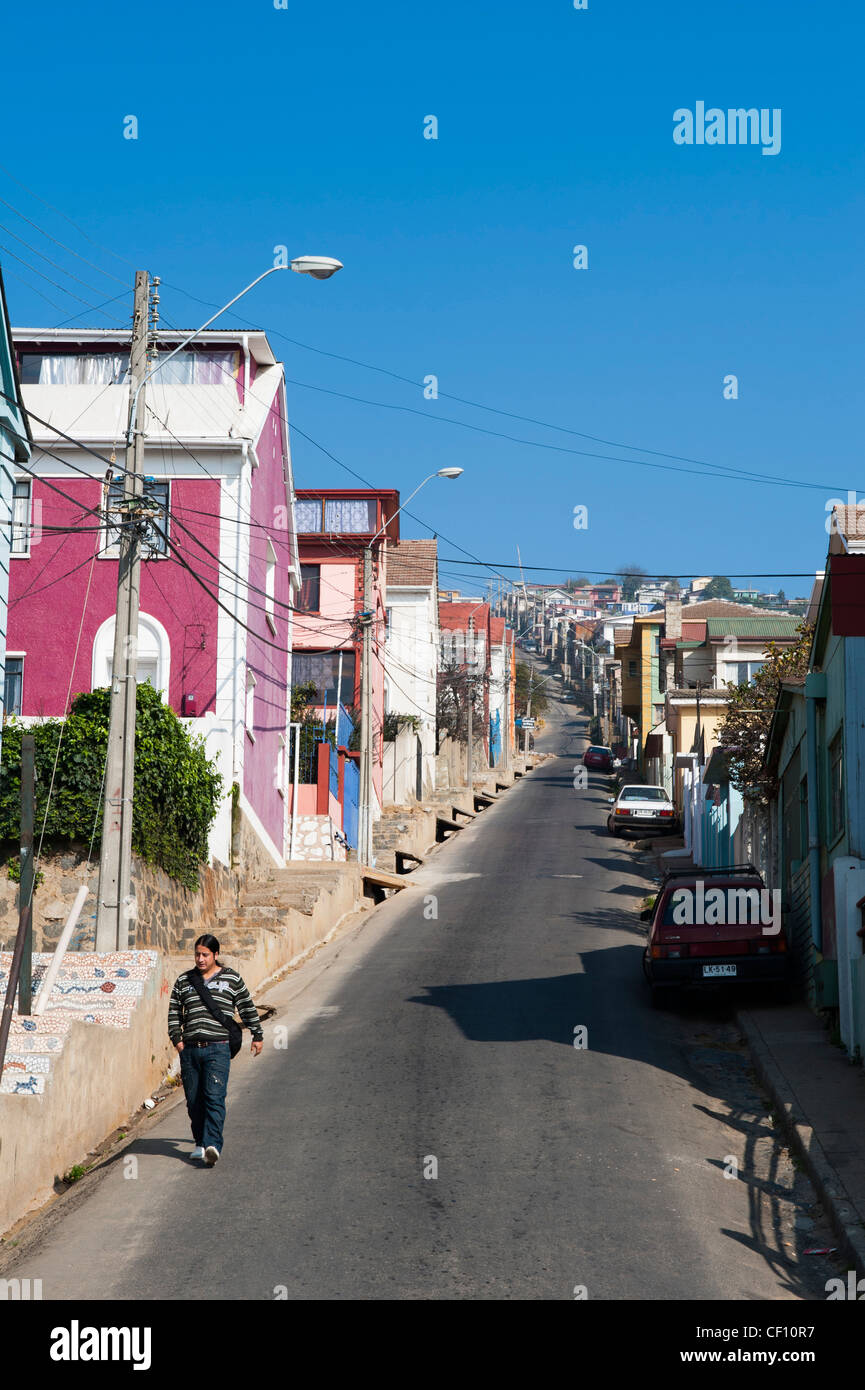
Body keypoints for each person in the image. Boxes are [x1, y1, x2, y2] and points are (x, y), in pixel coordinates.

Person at [168, 934, 264, 1166]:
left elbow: (246, 1006)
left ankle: (212, 1145)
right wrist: (178, 1040)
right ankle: (200, 1142)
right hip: (190, 1049)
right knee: (193, 1101)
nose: (200, 959)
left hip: (218, 1048)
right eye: (197, 955)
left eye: (205, 955)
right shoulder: (184, 981)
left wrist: (257, 1034)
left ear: (215, 955)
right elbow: (173, 1012)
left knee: (214, 1096)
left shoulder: (231, 978)